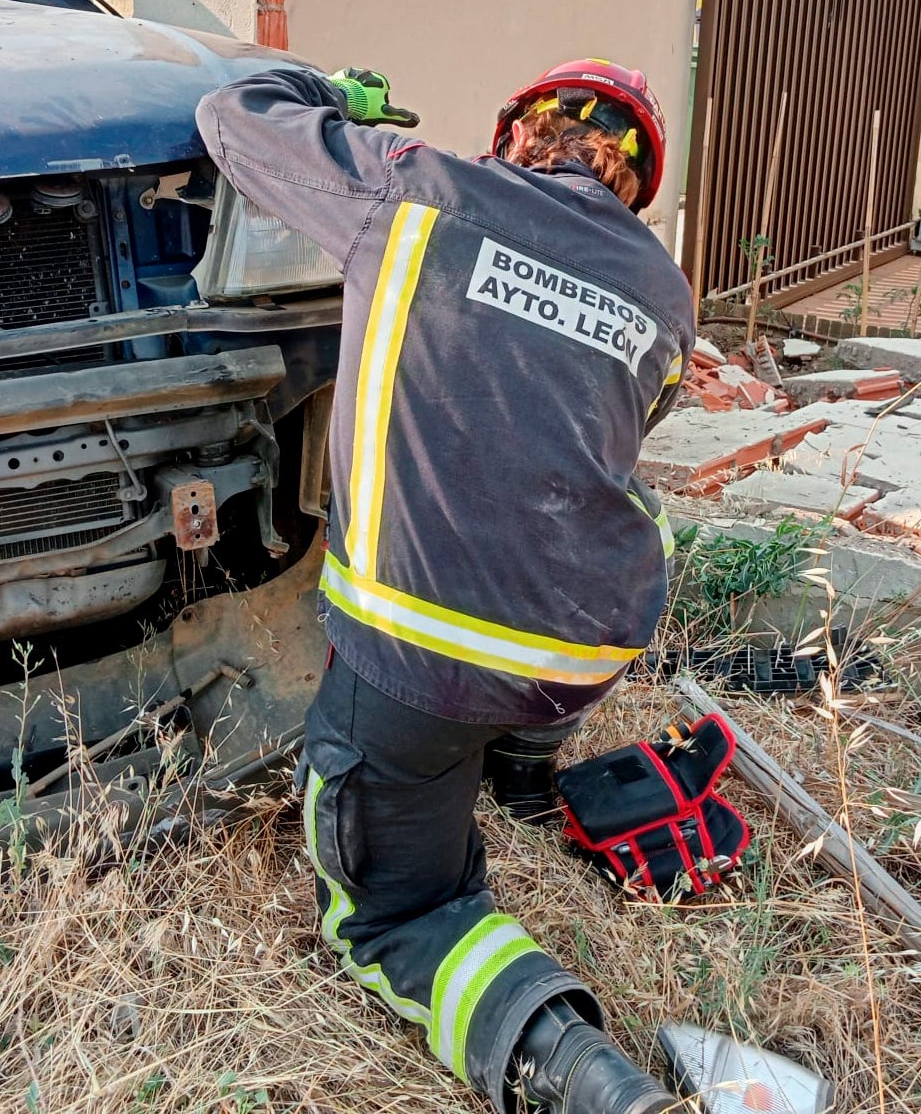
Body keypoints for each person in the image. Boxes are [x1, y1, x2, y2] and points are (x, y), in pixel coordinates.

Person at [195, 61, 694, 1114]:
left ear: (514, 133)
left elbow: (231, 117)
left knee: (396, 915)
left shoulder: (418, 186)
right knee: (575, 556)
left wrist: (328, 95)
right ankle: (520, 765)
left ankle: (594, 1084)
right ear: (632, 184)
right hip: (583, 651)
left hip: (422, 668)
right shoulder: (663, 292)